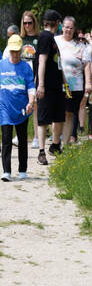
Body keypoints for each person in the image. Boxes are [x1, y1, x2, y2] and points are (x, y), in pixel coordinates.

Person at [0, 35, 35, 181]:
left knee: (22, 139)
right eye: (12, 51)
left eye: (17, 51)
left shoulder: (26, 67)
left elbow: (31, 88)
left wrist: (31, 103)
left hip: (22, 108)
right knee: (7, 139)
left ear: (21, 50)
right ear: (9, 50)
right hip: (5, 108)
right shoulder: (1, 65)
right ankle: (6, 171)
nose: (14, 54)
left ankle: (22, 170)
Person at [55, 16, 92, 145]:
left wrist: (88, 83)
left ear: (74, 29)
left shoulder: (81, 45)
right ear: (62, 27)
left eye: (71, 28)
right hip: (57, 84)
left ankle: (65, 143)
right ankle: (55, 141)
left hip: (75, 85)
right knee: (57, 114)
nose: (68, 30)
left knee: (69, 114)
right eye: (66, 27)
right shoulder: (55, 41)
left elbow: (87, 64)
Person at [36, 9, 64, 165]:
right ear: (57, 23)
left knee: (59, 117)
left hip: (57, 84)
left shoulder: (53, 39)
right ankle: (41, 152)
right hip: (46, 85)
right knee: (43, 119)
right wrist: (41, 84)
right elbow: (42, 61)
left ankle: (55, 146)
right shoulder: (45, 37)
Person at [19, 10, 41, 149]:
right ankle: (20, 135)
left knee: (35, 107)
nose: (27, 25)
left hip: (35, 74)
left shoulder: (39, 39)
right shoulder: (20, 39)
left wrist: (37, 78)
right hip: (21, 76)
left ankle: (37, 137)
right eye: (25, 23)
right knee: (21, 105)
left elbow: (41, 61)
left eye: (30, 23)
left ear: (34, 23)